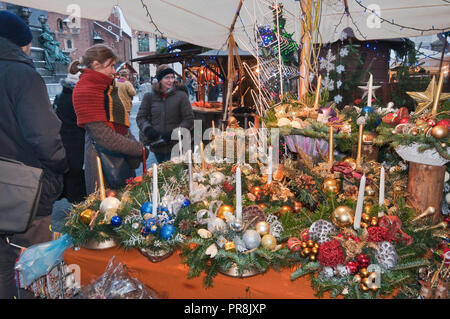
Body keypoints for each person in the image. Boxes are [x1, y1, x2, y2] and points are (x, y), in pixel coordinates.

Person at [0, 11, 68, 299]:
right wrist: (60, 166)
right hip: (26, 189)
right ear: (21, 44)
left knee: (3, 266)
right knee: (33, 267)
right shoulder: (22, 74)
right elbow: (43, 135)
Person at [72, 44, 145, 195]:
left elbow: (121, 125)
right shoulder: (85, 89)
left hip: (119, 159)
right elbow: (104, 137)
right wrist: (138, 149)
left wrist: (135, 146)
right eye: (111, 66)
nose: (114, 71)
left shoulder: (106, 87)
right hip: (103, 164)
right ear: (96, 65)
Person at [137, 64, 194, 165]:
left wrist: (174, 133)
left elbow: (189, 119)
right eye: (167, 77)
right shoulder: (149, 97)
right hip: (157, 144)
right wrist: (148, 129)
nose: (170, 80)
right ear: (159, 79)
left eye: (172, 77)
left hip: (176, 144)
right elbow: (141, 117)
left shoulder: (181, 96)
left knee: (172, 173)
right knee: (161, 172)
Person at [53, 64, 86, 203]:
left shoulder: (61, 94)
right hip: (77, 142)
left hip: (63, 140)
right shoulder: (77, 95)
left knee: (70, 173)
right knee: (76, 175)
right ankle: (77, 208)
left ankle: (72, 199)